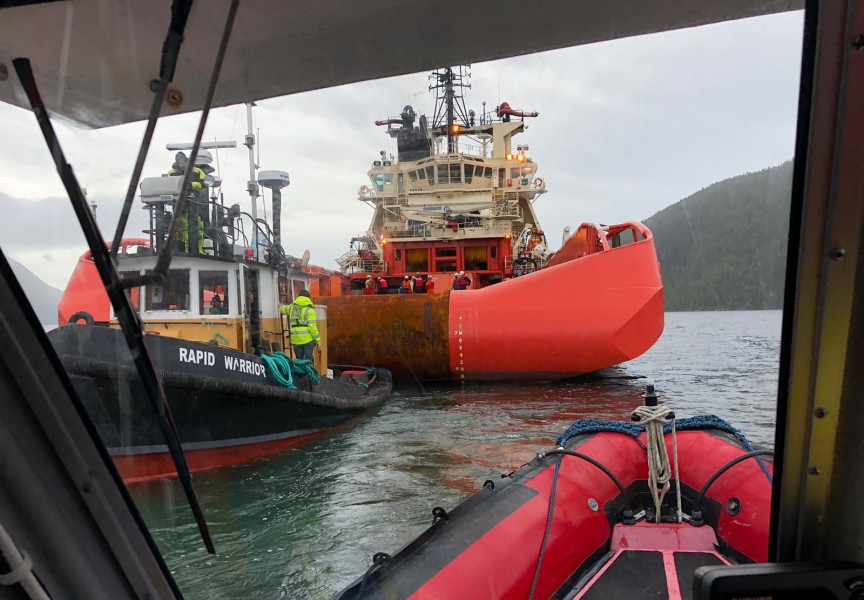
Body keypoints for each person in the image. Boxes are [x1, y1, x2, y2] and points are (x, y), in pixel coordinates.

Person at [165, 152, 207, 253]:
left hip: (196, 204)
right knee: (181, 228)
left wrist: (190, 185)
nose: (182, 165)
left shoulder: (197, 171)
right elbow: (168, 185)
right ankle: (183, 250)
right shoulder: (171, 173)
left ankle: (198, 250)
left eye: (183, 162)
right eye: (179, 163)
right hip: (179, 205)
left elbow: (203, 184)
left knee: (198, 227)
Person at [279, 289, 320, 362]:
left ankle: (300, 373)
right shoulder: (310, 310)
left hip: (296, 339)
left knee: (299, 362)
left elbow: (283, 309)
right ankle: (309, 373)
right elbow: (312, 327)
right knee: (308, 361)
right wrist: (318, 342)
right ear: (308, 298)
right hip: (308, 340)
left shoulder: (291, 307)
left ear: (298, 297)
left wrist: (280, 306)